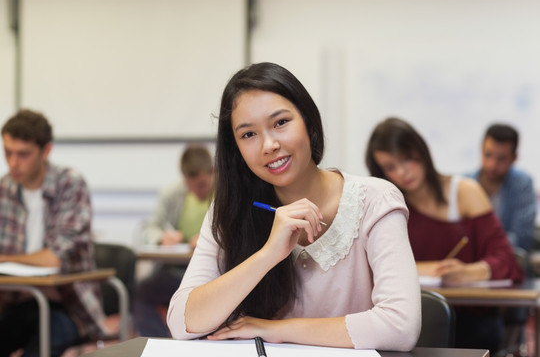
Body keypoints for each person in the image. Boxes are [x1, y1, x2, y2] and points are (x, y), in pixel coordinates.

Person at [167, 62, 421, 350]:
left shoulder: (376, 199)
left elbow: (401, 326)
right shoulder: (228, 211)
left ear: (309, 123)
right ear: (236, 149)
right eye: (248, 134)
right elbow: (181, 322)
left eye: (280, 123)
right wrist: (267, 255)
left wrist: (275, 330)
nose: (269, 145)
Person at [365, 116, 524, 354]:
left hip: (474, 322)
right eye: (390, 167)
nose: (402, 172)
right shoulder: (385, 203)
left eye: (407, 159)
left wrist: (471, 271)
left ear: (421, 151)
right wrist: (431, 268)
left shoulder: (465, 192)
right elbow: (368, 267)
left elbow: (507, 260)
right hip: (408, 324)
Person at [0, 109, 106, 357]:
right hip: (16, 301)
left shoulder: (70, 184)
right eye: (7, 153)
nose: (13, 163)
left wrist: (4, 259)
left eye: (23, 155)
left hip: (68, 307)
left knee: (42, 344)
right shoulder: (5, 189)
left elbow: (53, 259)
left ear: (46, 151)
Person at [133, 144, 214, 337]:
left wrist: (209, 239)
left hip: (211, 270)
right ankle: (162, 343)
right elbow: (149, 227)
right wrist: (161, 237)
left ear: (213, 172)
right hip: (177, 269)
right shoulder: (171, 193)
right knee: (141, 293)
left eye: (202, 184)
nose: (198, 190)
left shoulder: (228, 192)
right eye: (191, 185)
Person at [469, 123, 537, 253]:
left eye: (501, 159)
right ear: (480, 150)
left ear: (514, 158)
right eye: (488, 155)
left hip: (505, 261)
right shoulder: (465, 183)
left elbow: (522, 238)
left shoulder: (522, 184)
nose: (492, 164)